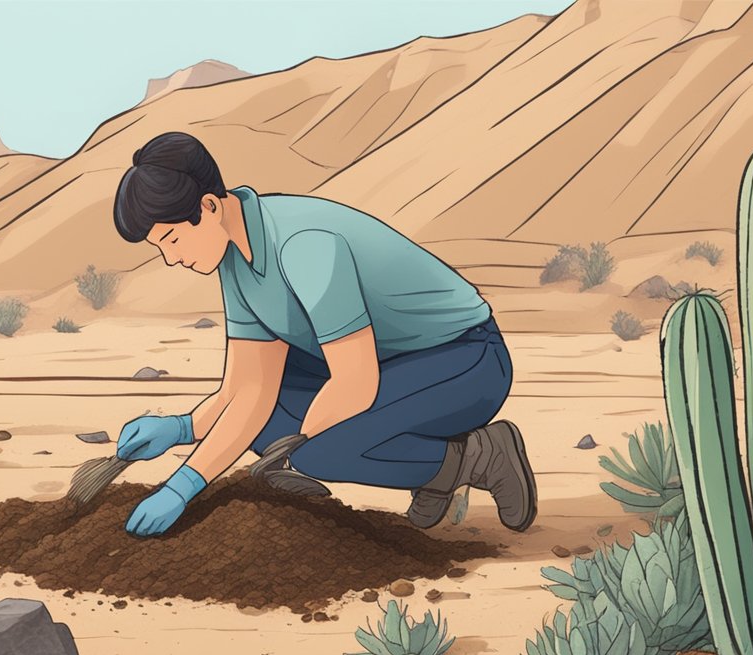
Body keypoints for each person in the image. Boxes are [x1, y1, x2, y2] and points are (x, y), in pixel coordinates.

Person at [110, 131, 537, 537]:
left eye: (171, 238)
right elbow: (249, 387)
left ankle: (479, 456)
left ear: (208, 206)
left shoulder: (303, 245)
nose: (170, 258)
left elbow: (356, 381)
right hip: (389, 366)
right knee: (263, 427)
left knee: (320, 451)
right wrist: (182, 429)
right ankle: (437, 466)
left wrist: (290, 451)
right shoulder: (235, 259)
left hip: (465, 358)